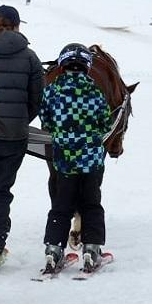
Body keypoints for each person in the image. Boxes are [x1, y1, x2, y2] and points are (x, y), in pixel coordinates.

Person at [0, 5, 44, 272]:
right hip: (14, 137)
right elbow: (36, 99)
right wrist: (18, 122)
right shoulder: (30, 58)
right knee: (1, 194)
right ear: (16, 26)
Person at [39, 43, 111, 274]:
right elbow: (106, 123)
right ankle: (91, 249)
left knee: (61, 205)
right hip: (91, 160)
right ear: (87, 67)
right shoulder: (96, 92)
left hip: (64, 160)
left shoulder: (52, 91)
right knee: (91, 203)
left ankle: (53, 251)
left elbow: (46, 120)